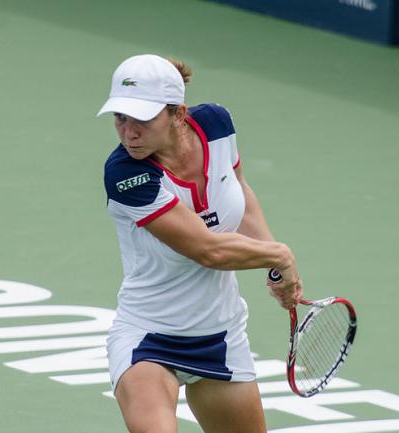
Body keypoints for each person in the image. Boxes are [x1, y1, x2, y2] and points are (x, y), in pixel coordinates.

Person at [96, 54, 303, 433]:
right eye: (120, 118)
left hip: (220, 337)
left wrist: (274, 266)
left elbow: (240, 194)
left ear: (177, 113)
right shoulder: (126, 174)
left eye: (142, 119)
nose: (129, 133)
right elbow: (208, 250)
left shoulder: (216, 124)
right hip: (150, 339)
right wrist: (279, 255)